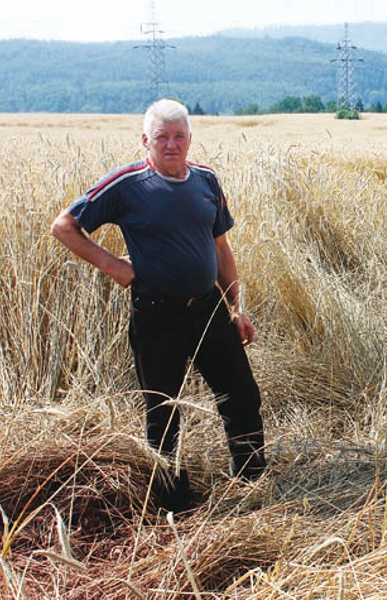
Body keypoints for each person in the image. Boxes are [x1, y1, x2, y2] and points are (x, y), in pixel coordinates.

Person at [51, 99, 266, 507]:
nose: (171, 145)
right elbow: (64, 226)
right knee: (163, 409)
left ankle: (251, 483)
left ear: (190, 140)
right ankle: (173, 502)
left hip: (209, 311)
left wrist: (238, 308)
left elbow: (220, 247)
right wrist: (114, 266)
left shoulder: (206, 181)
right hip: (156, 315)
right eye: (162, 137)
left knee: (241, 394)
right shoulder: (126, 184)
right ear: (145, 140)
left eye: (179, 137)